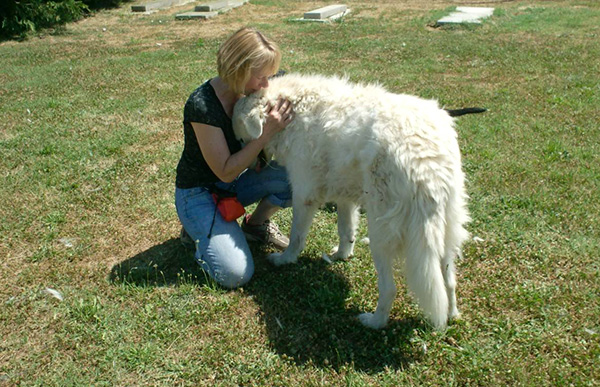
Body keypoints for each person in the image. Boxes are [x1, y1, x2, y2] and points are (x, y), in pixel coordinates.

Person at [174, 27, 294, 289]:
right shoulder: (202, 105)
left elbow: (297, 88)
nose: (267, 85)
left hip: (234, 185)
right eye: (261, 77)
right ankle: (196, 230)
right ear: (238, 70)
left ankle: (256, 225)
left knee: (297, 176)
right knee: (235, 274)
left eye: (271, 76)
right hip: (199, 192)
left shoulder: (257, 85)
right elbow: (225, 171)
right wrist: (265, 137)